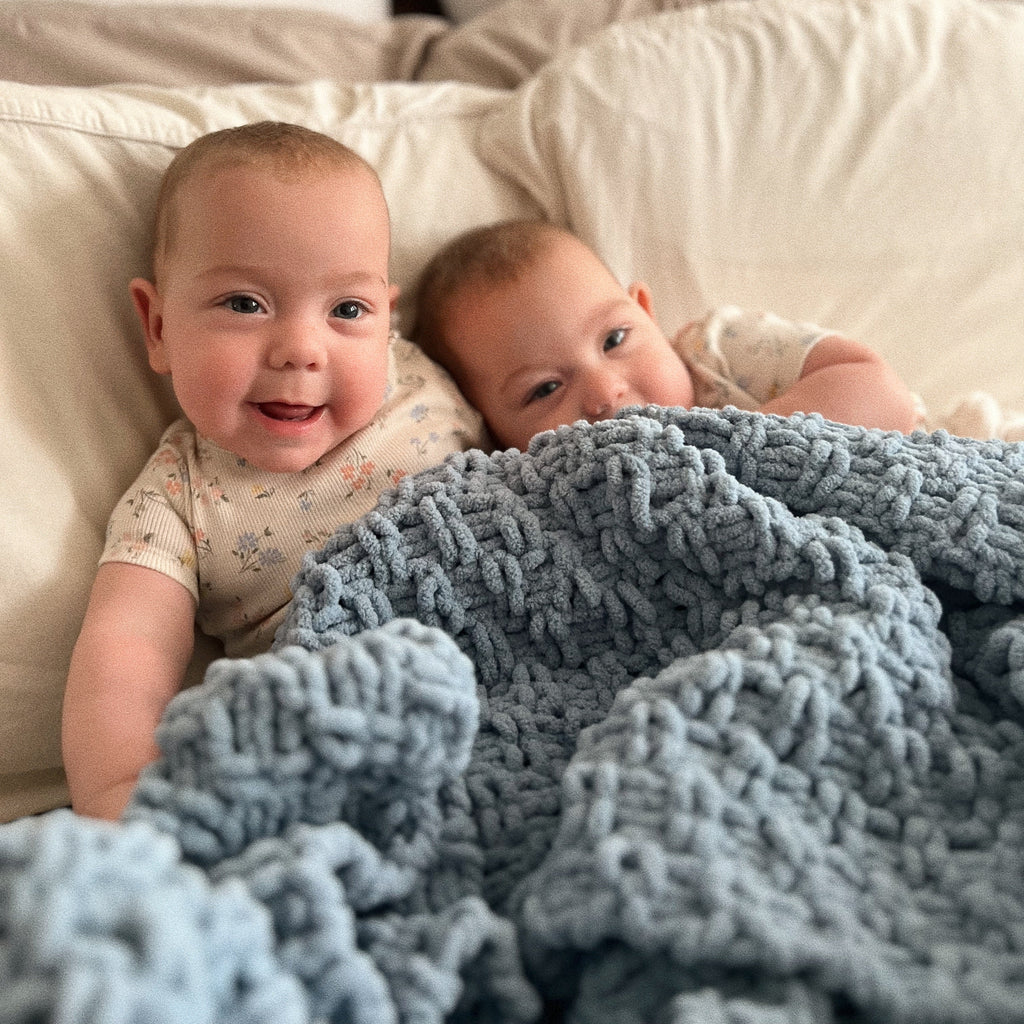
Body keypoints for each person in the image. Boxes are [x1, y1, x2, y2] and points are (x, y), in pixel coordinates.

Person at [63, 122, 484, 820]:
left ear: (387, 320)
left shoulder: (421, 371)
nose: (300, 349)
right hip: (345, 729)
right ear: (159, 326)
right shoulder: (177, 495)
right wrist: (115, 795)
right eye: (245, 304)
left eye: (348, 310)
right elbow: (125, 648)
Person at [411, 219, 922, 453]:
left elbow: (881, 394)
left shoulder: (717, 351)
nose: (603, 391)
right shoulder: (556, 491)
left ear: (647, 313)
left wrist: (724, 446)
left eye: (613, 340)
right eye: (545, 389)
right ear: (500, 436)